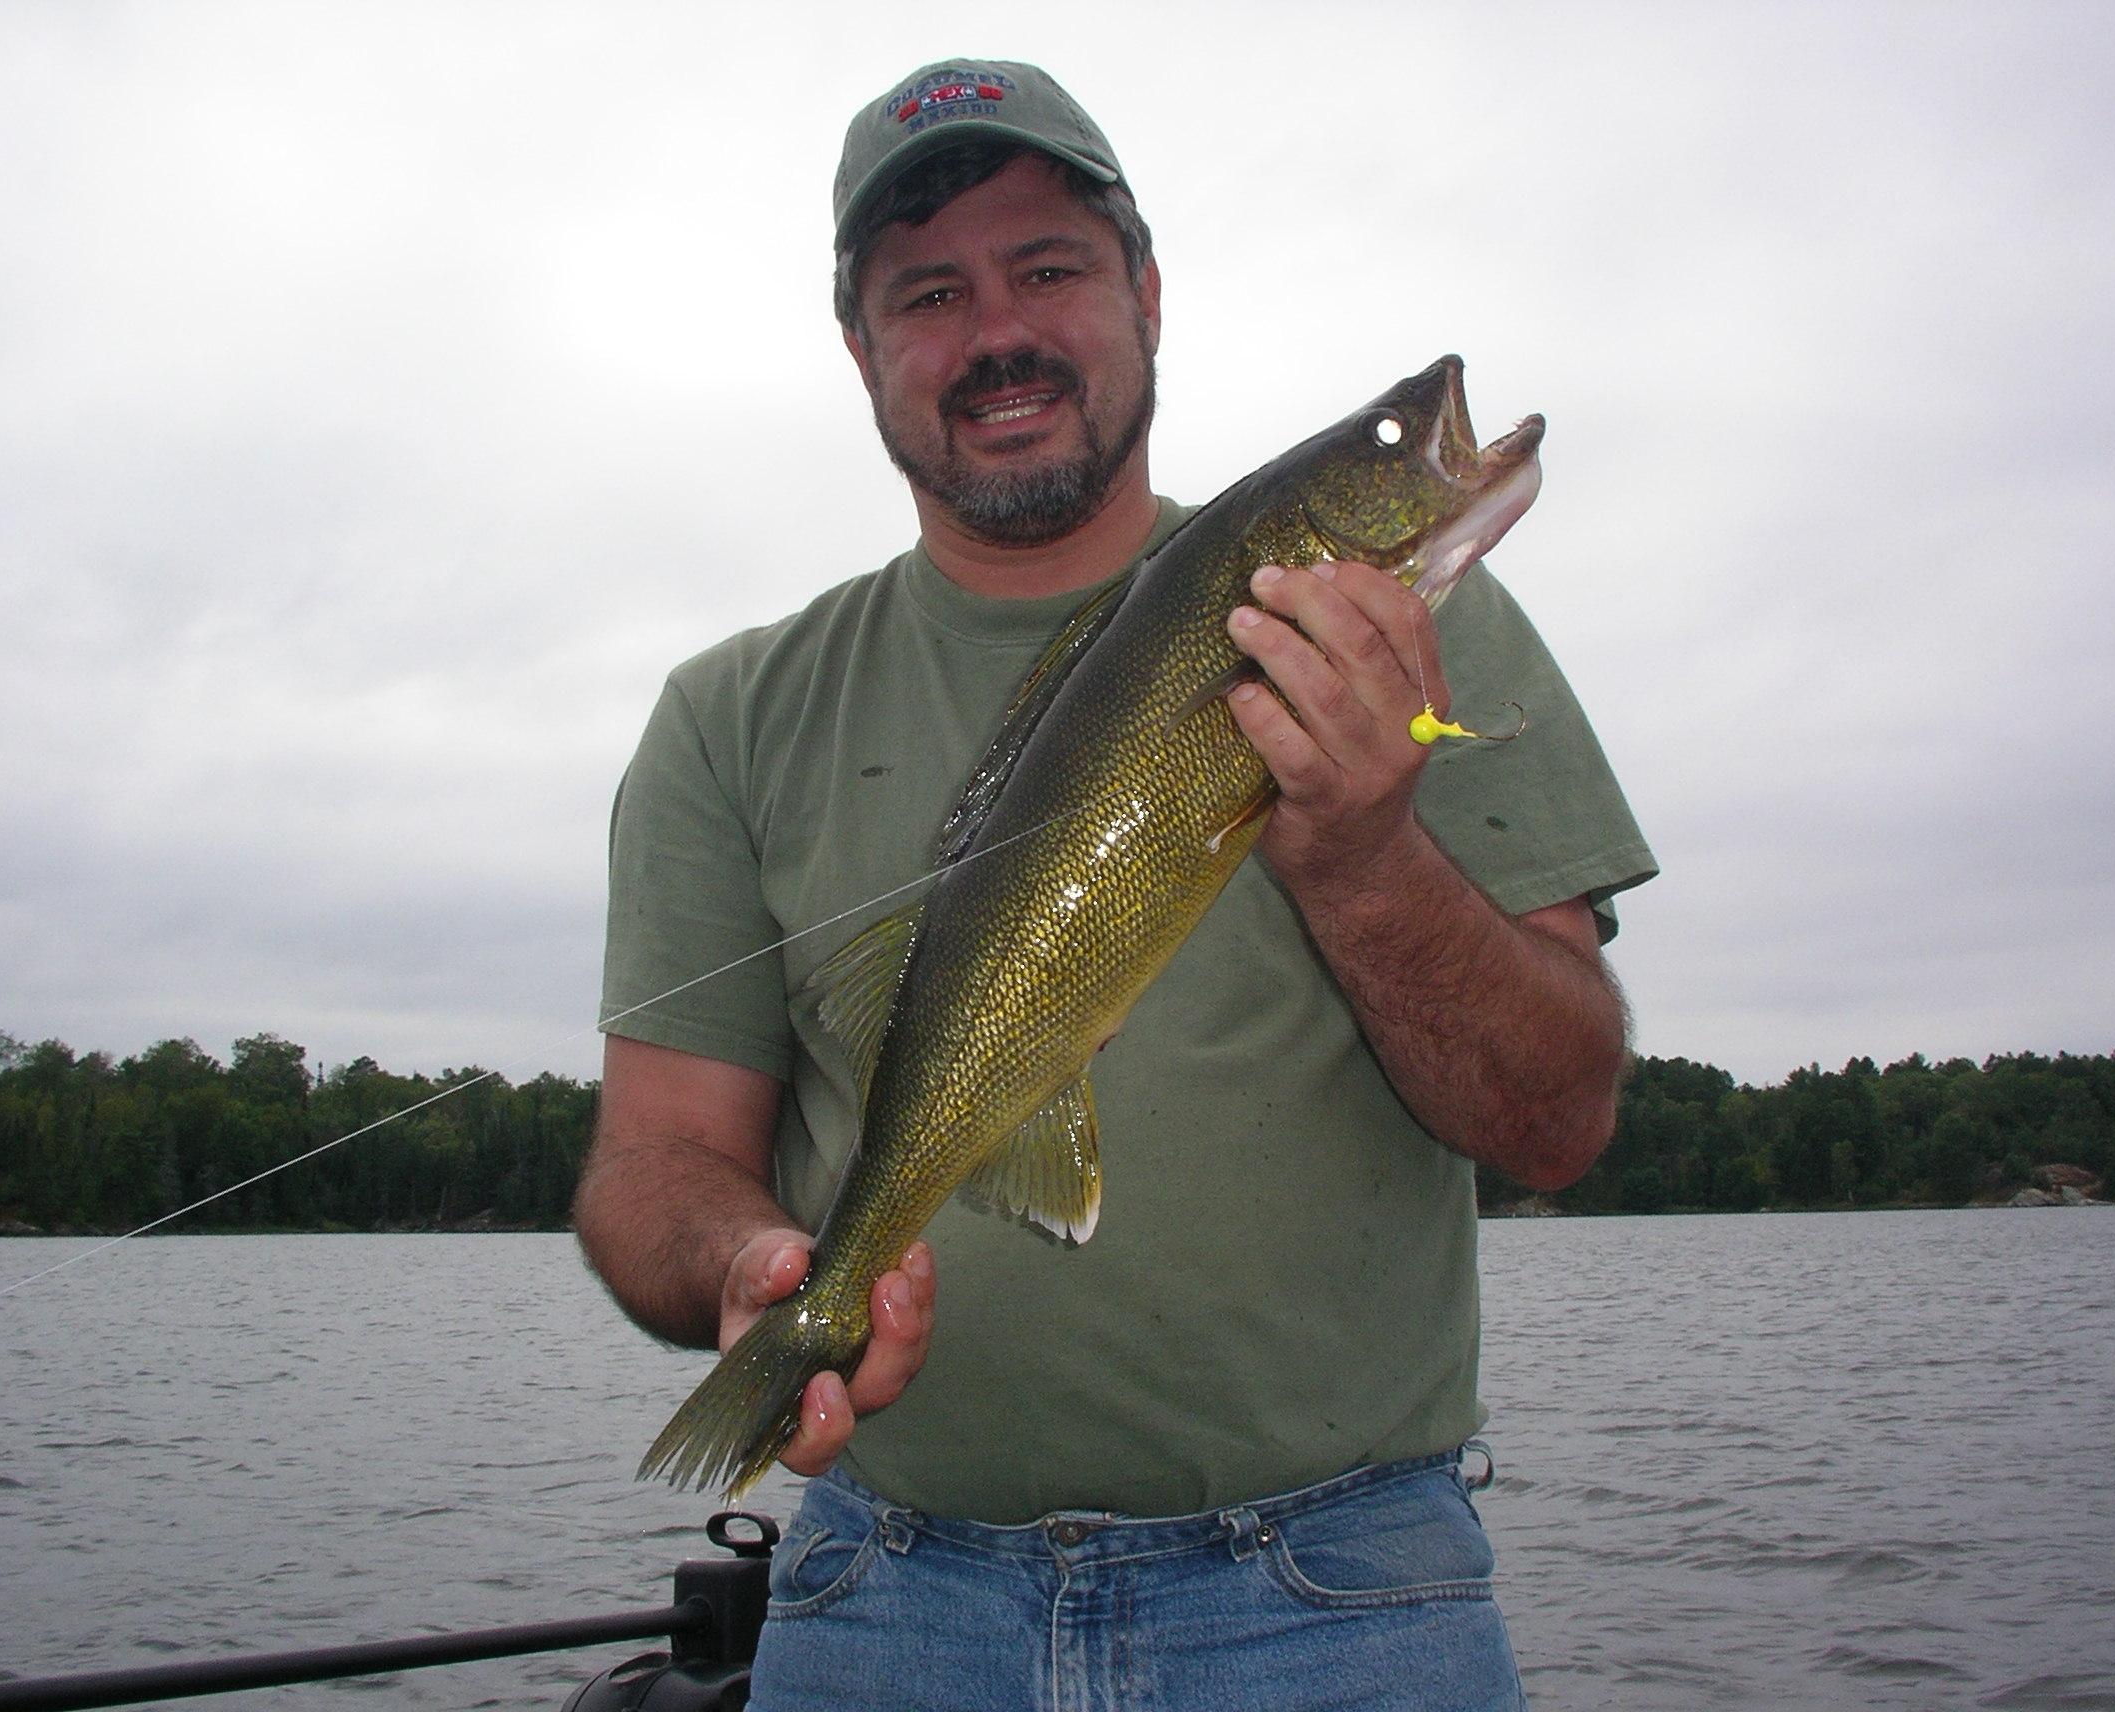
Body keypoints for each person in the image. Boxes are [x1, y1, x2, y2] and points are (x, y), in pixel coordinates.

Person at [575, 57, 1656, 1711]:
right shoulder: (733, 715)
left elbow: (1558, 1123)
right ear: (862, 352)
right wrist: (749, 1266)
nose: (996, 328)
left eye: (1051, 267)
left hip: (1342, 1604)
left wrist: (1362, 855)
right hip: (884, 1598)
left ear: (1146, 294)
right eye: (927, 293)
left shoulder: (1411, 641)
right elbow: (653, 1162)